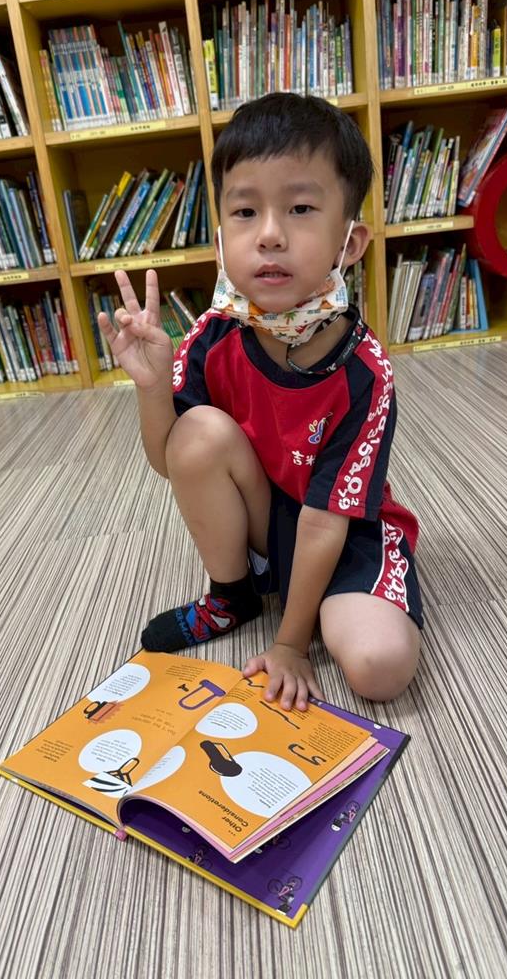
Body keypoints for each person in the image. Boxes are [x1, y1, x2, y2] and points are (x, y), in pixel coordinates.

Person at [98, 93, 423, 711]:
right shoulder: (213, 335)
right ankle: (233, 595)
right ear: (222, 238)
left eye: (300, 208)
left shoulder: (365, 370)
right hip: (270, 522)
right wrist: (151, 386)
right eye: (246, 212)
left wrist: (292, 643)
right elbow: (172, 461)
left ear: (350, 242)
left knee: (380, 667)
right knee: (197, 430)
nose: (270, 235)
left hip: (344, 531)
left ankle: (317, 602)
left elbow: (326, 519)